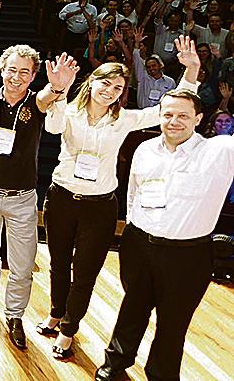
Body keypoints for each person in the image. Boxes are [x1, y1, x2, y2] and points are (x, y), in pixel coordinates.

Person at [41, 37, 200, 360]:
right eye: (106, 83)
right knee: (58, 264)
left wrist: (192, 73)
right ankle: (56, 313)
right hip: (61, 199)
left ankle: (69, 329)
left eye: (118, 88)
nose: (110, 91)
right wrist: (58, 90)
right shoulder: (69, 109)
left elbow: (165, 111)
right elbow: (52, 126)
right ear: (92, 81)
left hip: (99, 206)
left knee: (85, 271)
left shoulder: (125, 118)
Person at [95, 89, 234, 381]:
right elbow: (133, 193)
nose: (174, 121)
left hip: (188, 255)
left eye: (183, 115)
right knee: (132, 308)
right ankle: (116, 362)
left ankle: (161, 375)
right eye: (168, 114)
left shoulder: (220, 151)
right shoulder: (144, 148)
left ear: (198, 119)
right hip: (139, 244)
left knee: (173, 323)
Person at [0, 43, 78, 349]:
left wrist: (57, 86)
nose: (16, 77)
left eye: (24, 72)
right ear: (1, 70)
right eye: (11, 70)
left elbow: (48, 96)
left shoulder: (35, 103)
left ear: (32, 76)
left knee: (21, 264)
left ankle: (15, 315)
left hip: (21, 199)